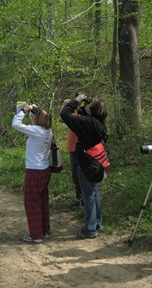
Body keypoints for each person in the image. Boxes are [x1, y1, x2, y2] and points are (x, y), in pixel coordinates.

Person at [60, 94, 108, 239]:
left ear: (91, 109)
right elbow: (80, 115)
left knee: (88, 196)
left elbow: (64, 114)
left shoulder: (86, 122)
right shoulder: (98, 122)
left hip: (87, 163)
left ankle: (89, 229)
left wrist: (76, 101)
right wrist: (79, 104)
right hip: (98, 162)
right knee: (94, 193)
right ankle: (97, 223)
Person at [12, 104, 53, 244]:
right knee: (42, 201)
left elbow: (15, 124)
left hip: (34, 170)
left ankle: (35, 235)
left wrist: (24, 111)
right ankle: (45, 230)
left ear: (37, 119)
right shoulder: (48, 131)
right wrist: (35, 110)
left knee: (31, 202)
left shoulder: (37, 130)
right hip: (45, 169)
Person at [60, 99, 83, 206]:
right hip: (72, 148)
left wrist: (74, 103)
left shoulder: (80, 116)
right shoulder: (71, 116)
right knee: (75, 174)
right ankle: (80, 197)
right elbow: (61, 118)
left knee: (81, 174)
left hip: (80, 148)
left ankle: (83, 198)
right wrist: (65, 105)